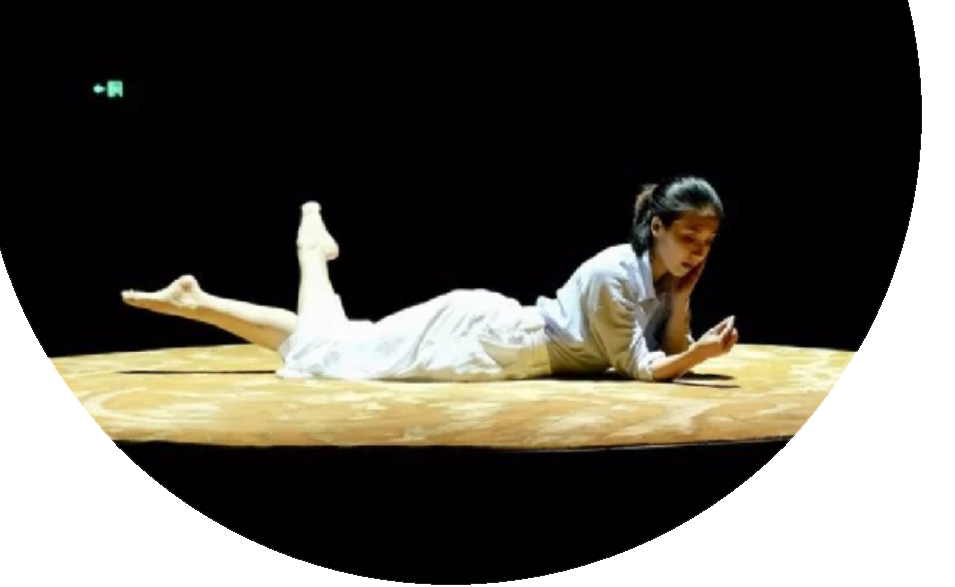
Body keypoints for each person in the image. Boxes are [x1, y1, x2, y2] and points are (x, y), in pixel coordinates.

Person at [121, 177, 739, 383]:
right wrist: (702, 354)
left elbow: (666, 347)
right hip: (490, 337)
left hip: (504, 342)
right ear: (655, 227)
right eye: (689, 237)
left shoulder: (656, 279)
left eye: (707, 242)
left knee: (331, 342)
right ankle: (304, 251)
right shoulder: (613, 274)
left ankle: (216, 291)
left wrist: (682, 301)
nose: (697, 251)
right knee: (331, 353)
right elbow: (642, 368)